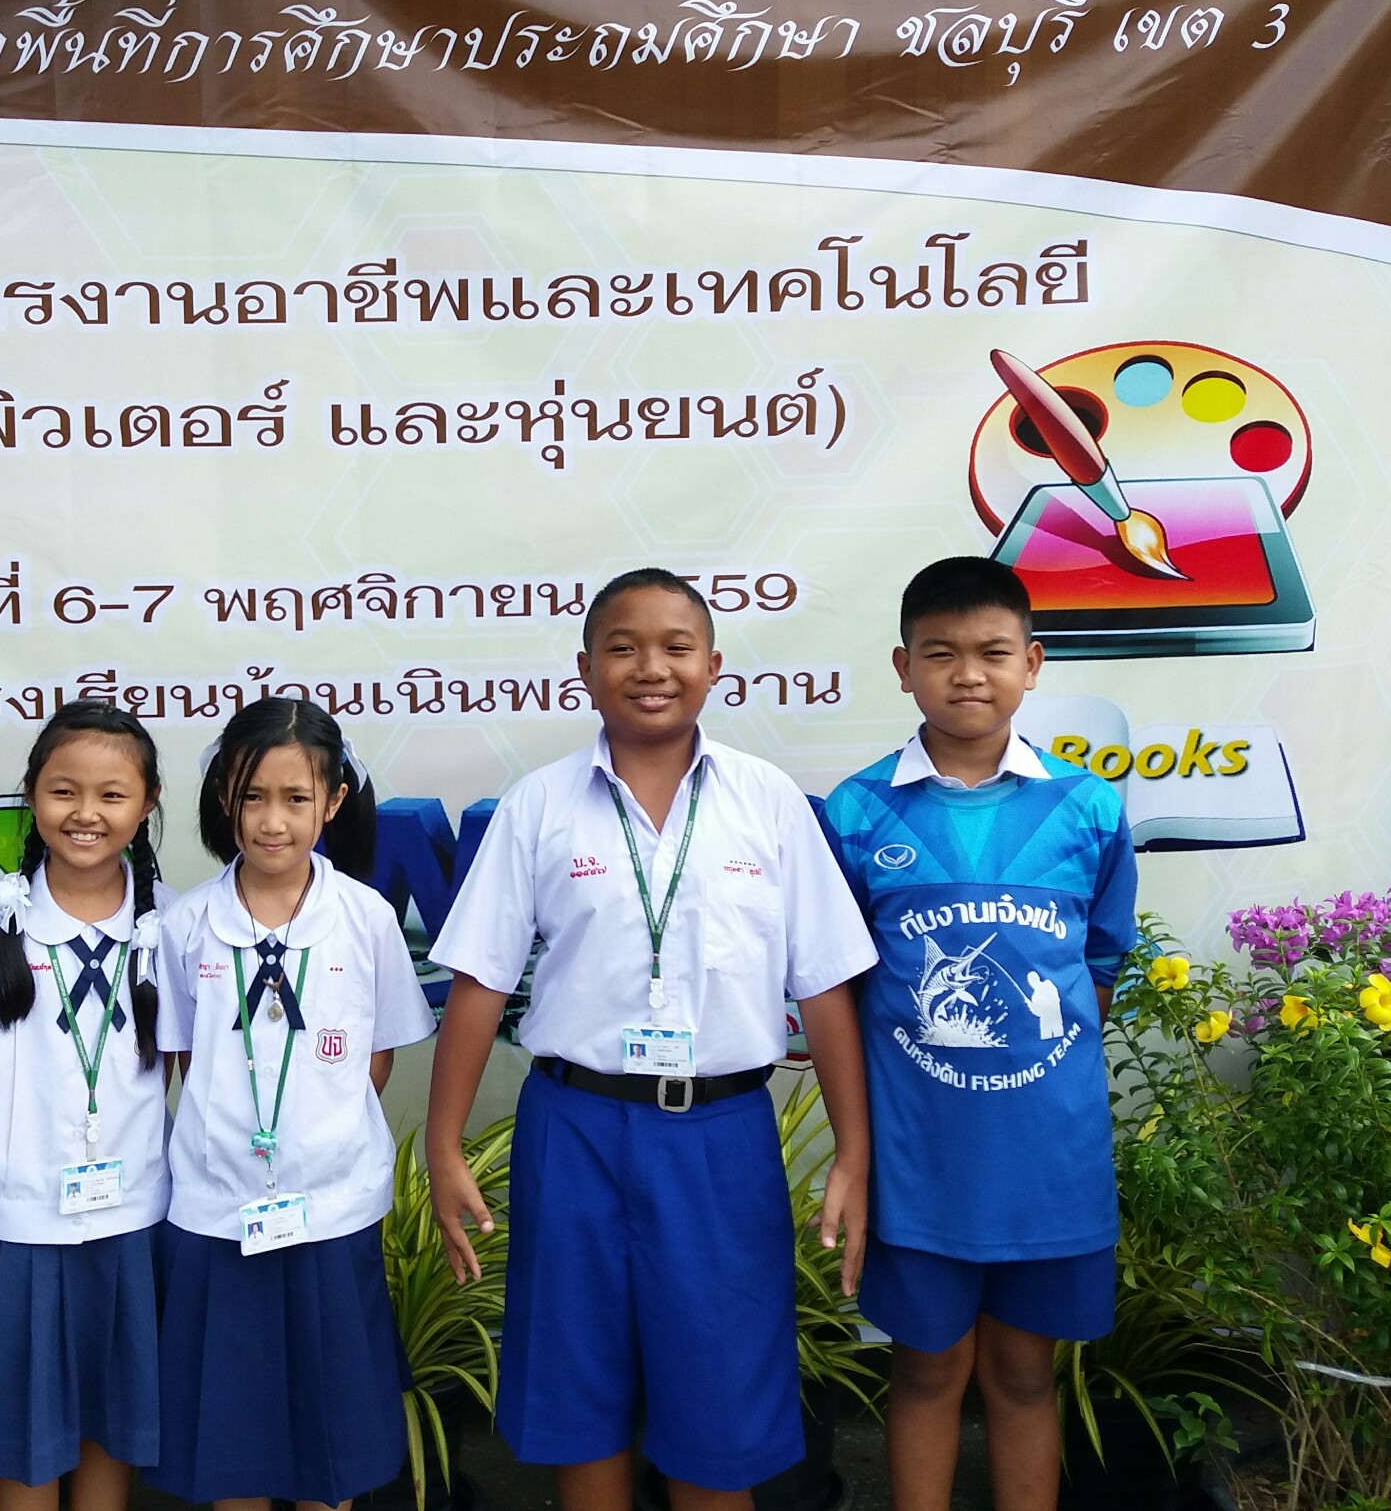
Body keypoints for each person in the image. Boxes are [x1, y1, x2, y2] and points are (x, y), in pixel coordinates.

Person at [425, 568, 878, 1511]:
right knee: (577, 1390)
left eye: (676, 647)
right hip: (574, 1127)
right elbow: (479, 979)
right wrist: (443, 1143)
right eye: (623, 647)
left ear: (714, 666)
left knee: (720, 1404)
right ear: (585, 669)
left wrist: (853, 1155)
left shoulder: (768, 802)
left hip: (720, 1136)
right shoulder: (539, 805)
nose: (651, 667)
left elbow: (827, 982)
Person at [818, 557, 1138, 1511]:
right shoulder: (858, 811)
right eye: (940, 653)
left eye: (993, 652)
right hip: (921, 1162)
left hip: (1048, 1161)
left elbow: (1099, 966)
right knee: (926, 1370)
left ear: (1032, 663)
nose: (968, 674)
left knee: (1023, 1374)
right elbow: (838, 985)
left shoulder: (1086, 807)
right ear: (902, 666)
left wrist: (1037, 1063)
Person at [150, 697, 437, 1511]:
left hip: (331, 1209)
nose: (272, 820)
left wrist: (310, 1137)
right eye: (251, 796)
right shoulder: (185, 924)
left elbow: (376, 1055)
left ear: (334, 801)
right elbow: (183, 1057)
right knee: (231, 1439)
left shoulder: (367, 918)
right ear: (223, 797)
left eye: (296, 798)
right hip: (216, 1211)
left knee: (327, 1439)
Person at [0, 701, 173, 1511]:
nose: (86, 812)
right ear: (32, 794)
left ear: (147, 803)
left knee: (110, 1414)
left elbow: (186, 1065)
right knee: (25, 1422)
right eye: (64, 790)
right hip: (17, 1219)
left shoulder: (170, 923)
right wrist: (6, 1161)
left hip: (130, 1213)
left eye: (112, 794)